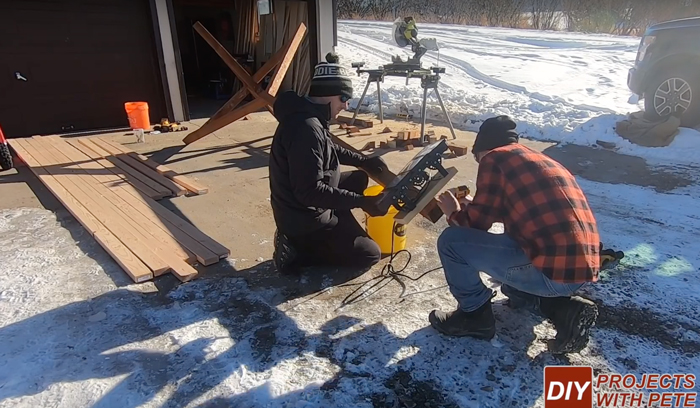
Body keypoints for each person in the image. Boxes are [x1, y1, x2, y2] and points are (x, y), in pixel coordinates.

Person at [430, 115, 601, 354]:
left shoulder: (494, 158)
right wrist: (475, 204)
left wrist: (453, 213)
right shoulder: (539, 160)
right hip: (578, 272)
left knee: (451, 242)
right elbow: (526, 211)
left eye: (476, 157)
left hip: (549, 273)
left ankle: (474, 316)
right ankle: (565, 311)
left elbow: (475, 227)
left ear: (483, 150)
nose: (479, 162)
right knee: (511, 289)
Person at [269, 52, 391, 275]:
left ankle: (337, 222)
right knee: (370, 254)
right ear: (328, 95)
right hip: (305, 221)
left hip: (309, 207)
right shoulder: (306, 128)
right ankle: (297, 250)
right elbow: (309, 192)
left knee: (359, 177)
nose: (345, 105)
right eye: (344, 98)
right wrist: (362, 202)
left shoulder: (308, 116)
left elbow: (328, 149)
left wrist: (364, 161)